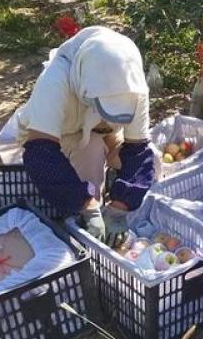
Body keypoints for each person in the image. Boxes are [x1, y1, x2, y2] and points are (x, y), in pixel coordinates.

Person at [17, 26, 155, 245]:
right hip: (60, 136)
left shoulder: (134, 88)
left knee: (153, 158)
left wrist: (121, 207)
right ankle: (82, 225)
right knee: (90, 150)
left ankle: (102, 215)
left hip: (107, 132)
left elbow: (138, 152)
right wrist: (85, 204)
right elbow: (41, 153)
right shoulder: (55, 80)